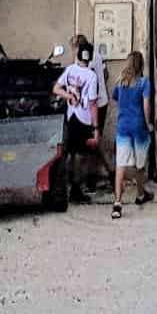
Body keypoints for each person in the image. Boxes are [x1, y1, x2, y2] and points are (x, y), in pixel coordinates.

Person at [53, 37, 100, 202]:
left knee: (70, 154)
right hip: (84, 119)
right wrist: (96, 128)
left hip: (71, 116)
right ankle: (76, 188)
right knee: (81, 156)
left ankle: (65, 187)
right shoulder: (92, 76)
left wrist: (69, 96)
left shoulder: (70, 70)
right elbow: (93, 103)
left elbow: (56, 88)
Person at [110, 51, 153, 217]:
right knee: (139, 165)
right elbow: (146, 105)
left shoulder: (120, 83)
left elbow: (116, 99)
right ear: (141, 65)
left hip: (123, 128)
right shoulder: (144, 83)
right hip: (139, 127)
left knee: (121, 164)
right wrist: (148, 123)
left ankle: (117, 203)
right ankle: (141, 194)